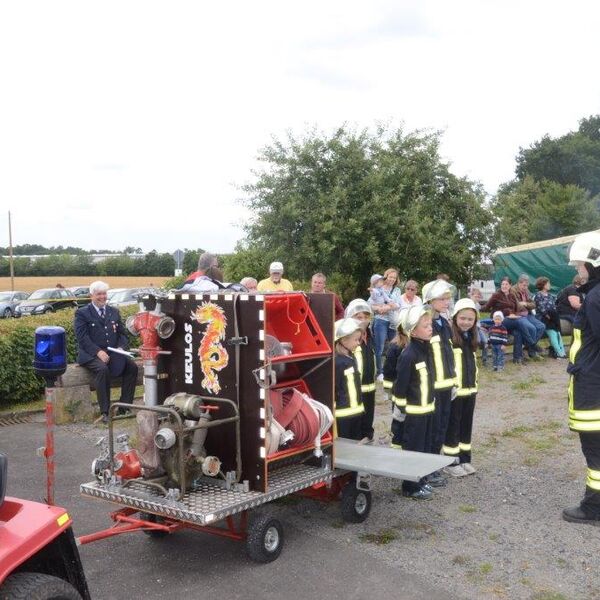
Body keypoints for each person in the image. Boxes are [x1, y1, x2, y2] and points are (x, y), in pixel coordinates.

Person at [562, 231, 600, 525]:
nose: (578, 271)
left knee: (595, 451)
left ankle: (594, 508)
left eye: (581, 266)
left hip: (593, 386)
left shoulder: (595, 298)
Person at [74, 280, 138, 423]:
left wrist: (121, 347)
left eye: (104, 294)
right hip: (90, 355)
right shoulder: (82, 313)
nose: (102, 297)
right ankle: (105, 412)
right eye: (99, 294)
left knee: (132, 367)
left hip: (113, 353)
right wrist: (98, 352)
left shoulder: (113, 311)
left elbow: (122, 334)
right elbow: (82, 338)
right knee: (102, 370)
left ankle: (124, 407)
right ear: (92, 295)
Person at [392, 305, 435, 500]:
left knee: (425, 447)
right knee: (413, 449)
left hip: (427, 409)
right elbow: (400, 386)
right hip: (414, 413)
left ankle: (421, 479)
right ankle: (410, 486)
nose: (430, 328)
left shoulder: (427, 350)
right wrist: (400, 409)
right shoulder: (409, 354)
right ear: (413, 330)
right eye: (425, 325)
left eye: (430, 324)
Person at [422, 279, 457, 488]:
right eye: (442, 299)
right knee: (431, 428)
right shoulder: (425, 324)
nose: (446, 302)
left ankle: (434, 465)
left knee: (441, 427)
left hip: (446, 385)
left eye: (447, 298)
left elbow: (447, 355)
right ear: (430, 300)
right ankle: (427, 469)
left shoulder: (443, 322)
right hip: (432, 387)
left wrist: (452, 382)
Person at [443, 298, 479, 477]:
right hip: (455, 392)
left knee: (466, 425)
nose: (466, 322)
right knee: (453, 425)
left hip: (470, 390)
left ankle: (465, 458)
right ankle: (451, 460)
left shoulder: (471, 338)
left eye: (470, 319)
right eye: (463, 318)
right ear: (455, 317)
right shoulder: (450, 338)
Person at [483, 277, 538, 364]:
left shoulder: (512, 296)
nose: (504, 286)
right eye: (502, 284)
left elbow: (517, 308)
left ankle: (517, 358)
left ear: (510, 285)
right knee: (519, 321)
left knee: (518, 332)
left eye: (506, 284)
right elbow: (486, 308)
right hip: (500, 321)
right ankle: (532, 344)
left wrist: (523, 308)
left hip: (512, 321)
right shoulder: (496, 295)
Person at [345, 299, 376, 444]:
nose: (363, 321)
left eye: (366, 317)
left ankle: (367, 435)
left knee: (368, 417)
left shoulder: (369, 335)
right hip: (356, 388)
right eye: (359, 317)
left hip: (370, 388)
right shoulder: (347, 339)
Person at [334, 317, 364, 440]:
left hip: (356, 411)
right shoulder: (338, 362)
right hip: (343, 415)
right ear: (343, 340)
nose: (358, 343)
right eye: (356, 340)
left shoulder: (351, 358)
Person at [369, 269, 401, 381]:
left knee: (394, 347)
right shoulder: (378, 288)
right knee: (380, 348)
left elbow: (398, 305)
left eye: (394, 277)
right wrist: (379, 308)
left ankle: (393, 371)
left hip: (393, 322)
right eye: (390, 277)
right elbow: (370, 304)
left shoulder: (397, 290)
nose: (392, 279)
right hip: (380, 320)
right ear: (385, 277)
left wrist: (385, 307)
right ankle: (380, 373)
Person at [384, 322, 409, 449]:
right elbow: (388, 370)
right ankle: (396, 446)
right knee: (398, 420)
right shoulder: (394, 347)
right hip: (398, 391)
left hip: (411, 392)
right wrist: (388, 391)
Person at [534, 276, 566, 358]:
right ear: (543, 285)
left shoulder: (550, 295)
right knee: (553, 333)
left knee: (558, 333)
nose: (549, 285)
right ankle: (559, 353)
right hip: (543, 319)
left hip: (553, 318)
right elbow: (542, 309)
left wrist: (554, 318)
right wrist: (550, 317)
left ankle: (562, 353)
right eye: (548, 283)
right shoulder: (538, 295)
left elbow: (554, 307)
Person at [512, 273, 546, 352]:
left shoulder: (526, 290)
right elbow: (517, 306)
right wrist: (525, 305)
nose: (526, 287)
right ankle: (532, 352)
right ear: (519, 283)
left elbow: (534, 304)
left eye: (527, 285)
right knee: (532, 328)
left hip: (528, 314)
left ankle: (528, 346)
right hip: (518, 315)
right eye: (524, 285)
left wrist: (525, 303)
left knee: (541, 326)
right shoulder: (513, 291)